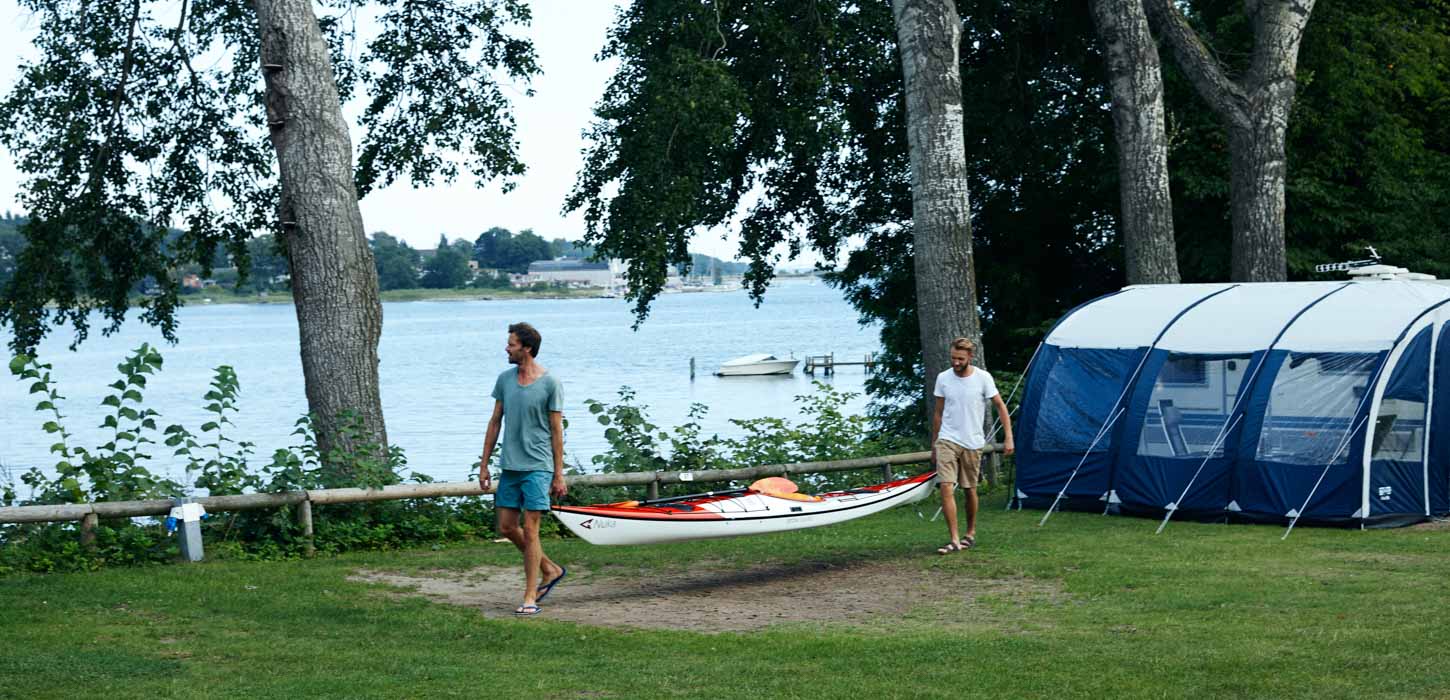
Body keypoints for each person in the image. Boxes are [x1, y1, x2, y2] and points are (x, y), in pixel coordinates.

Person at [478, 322, 568, 616]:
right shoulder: (504, 380)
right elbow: (494, 423)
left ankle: (530, 596)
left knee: (531, 530)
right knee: (506, 527)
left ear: (526, 348)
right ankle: (550, 568)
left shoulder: (550, 383)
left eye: (512, 344)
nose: (507, 348)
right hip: (510, 466)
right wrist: (484, 464)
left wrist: (558, 473)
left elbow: (557, 431)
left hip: (538, 467)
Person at [930, 337, 1013, 554]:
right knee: (946, 486)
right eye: (953, 358)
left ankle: (970, 533)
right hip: (947, 439)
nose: (955, 362)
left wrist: (1009, 437)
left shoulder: (983, 378)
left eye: (960, 359)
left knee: (969, 490)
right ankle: (954, 539)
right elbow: (938, 413)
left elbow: (1001, 407)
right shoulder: (943, 378)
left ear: (970, 357)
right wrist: (934, 443)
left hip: (973, 442)